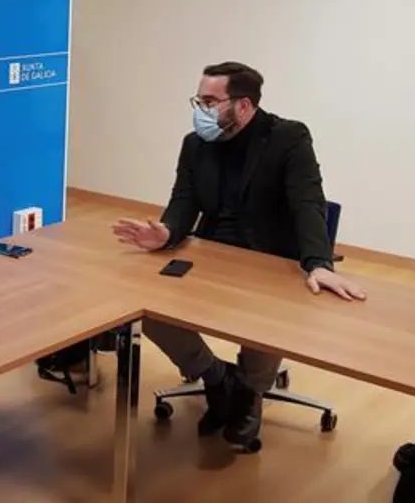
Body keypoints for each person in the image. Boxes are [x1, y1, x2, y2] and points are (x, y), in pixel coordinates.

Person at [112, 61, 366, 448]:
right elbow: (184, 200)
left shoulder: (288, 138)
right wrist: (166, 231)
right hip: (211, 253)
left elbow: (308, 202)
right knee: (144, 303)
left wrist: (319, 263)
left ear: (244, 106)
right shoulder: (195, 144)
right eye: (198, 101)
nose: (201, 110)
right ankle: (216, 376)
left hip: (269, 257)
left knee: (270, 313)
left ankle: (249, 392)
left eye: (209, 102)